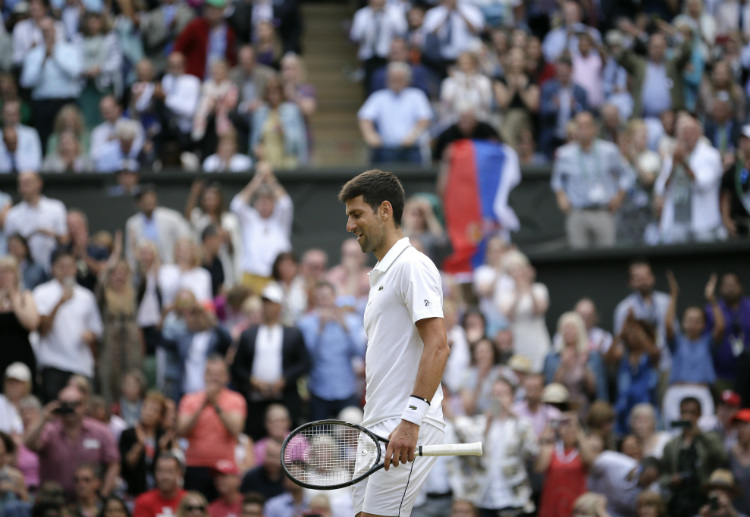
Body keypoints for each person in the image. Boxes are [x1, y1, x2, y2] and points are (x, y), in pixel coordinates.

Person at [338, 169, 449, 516]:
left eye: (357, 214)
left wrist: (411, 421)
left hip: (404, 422)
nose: (350, 225)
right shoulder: (381, 277)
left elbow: (438, 346)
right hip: (375, 424)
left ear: (385, 210)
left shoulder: (412, 265)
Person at [231, 283, 309, 440]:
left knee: (288, 441)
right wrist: (253, 381)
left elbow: (304, 364)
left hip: (284, 397)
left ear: (280, 307)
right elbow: (237, 367)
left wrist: (284, 380)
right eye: (265, 303)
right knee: (255, 437)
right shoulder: (249, 334)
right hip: (255, 399)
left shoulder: (292, 334)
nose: (269, 308)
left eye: (272, 304)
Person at [551, 111, 633, 249]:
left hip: (603, 211)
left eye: (586, 125)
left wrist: (619, 196)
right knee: (578, 259)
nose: (583, 130)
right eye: (579, 126)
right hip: (577, 212)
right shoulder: (564, 154)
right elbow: (557, 180)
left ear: (594, 128)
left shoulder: (609, 151)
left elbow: (627, 174)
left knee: (607, 257)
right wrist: (561, 196)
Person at [24, 385, 119, 501]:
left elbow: (114, 463)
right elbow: (28, 443)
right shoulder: (49, 430)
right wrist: (44, 417)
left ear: (84, 406)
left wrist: (103, 496)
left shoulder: (101, 432)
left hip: (89, 502)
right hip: (54, 503)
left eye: (74, 404)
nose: (70, 408)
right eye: (65, 404)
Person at [32, 248, 103, 403]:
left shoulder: (86, 296)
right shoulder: (41, 293)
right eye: (61, 266)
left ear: (75, 268)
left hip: (81, 366)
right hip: (53, 364)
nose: (66, 271)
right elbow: (42, 329)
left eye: (69, 266)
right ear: (52, 269)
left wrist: (90, 335)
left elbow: (96, 330)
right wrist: (60, 302)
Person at [177, 357, 246, 499]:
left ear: (226, 378)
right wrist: (202, 405)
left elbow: (236, 430)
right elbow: (182, 431)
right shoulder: (189, 399)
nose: (215, 378)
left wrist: (215, 404)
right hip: (194, 466)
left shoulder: (236, 399)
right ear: (204, 375)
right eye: (211, 373)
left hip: (225, 467)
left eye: (219, 374)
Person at [662, 272, 724, 427]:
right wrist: (674, 295)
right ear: (682, 323)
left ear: (703, 325)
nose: (693, 324)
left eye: (697, 321)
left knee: (704, 430)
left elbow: (721, 328)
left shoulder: (707, 342)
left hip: (701, 391)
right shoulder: (677, 343)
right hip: (677, 391)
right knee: (675, 430)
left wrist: (712, 300)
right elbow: (668, 326)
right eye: (689, 320)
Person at [297, 281, 366, 420]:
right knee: (319, 438)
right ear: (316, 300)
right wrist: (320, 329)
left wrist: (345, 327)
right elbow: (308, 358)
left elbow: (359, 353)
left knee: (351, 433)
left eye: (327, 297)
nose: (325, 301)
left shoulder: (352, 321)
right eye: (320, 297)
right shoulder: (306, 323)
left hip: (346, 388)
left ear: (335, 297)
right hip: (319, 389)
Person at [654, 114, 725, 243]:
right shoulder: (673, 158)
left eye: (691, 132)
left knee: (704, 260)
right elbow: (660, 189)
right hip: (676, 222)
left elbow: (703, 184)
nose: (687, 136)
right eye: (684, 132)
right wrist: (674, 167)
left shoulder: (711, 155)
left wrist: (684, 164)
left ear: (699, 133)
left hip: (703, 224)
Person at [19, 17, 82, 149]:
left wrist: (55, 57)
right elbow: (26, 82)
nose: (47, 33)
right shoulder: (33, 54)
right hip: (42, 104)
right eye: (44, 30)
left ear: (55, 30)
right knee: (44, 139)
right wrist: (42, 61)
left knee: (69, 138)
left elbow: (76, 73)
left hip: (66, 103)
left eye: (49, 30)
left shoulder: (69, 50)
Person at [230, 163, 293, 293]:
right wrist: (257, 179)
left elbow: (286, 204)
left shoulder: (280, 220)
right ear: (255, 203)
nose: (264, 205)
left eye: (268, 201)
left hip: (276, 278)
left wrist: (270, 177)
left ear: (273, 204)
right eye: (261, 201)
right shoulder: (250, 219)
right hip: (251, 277)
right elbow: (236, 205)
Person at [660, 396, 727, 517]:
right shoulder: (671, 445)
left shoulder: (710, 438)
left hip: (703, 500)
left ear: (699, 414)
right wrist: (671, 480)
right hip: (678, 502)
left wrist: (700, 434)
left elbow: (722, 457)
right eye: (684, 412)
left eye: (692, 412)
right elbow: (662, 476)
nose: (687, 416)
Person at [358, 62, 432, 165]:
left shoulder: (417, 96)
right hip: (385, 150)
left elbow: (424, 119)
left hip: (411, 150)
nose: (395, 81)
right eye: (392, 77)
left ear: (407, 79)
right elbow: (365, 118)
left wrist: (413, 135)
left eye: (399, 78)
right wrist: (370, 135)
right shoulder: (378, 97)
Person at [4, 171, 68, 273]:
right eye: (21, 183)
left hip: (52, 268)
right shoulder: (12, 215)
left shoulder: (56, 208)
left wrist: (50, 234)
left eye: (28, 182)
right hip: (25, 271)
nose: (24, 187)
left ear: (39, 184)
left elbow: (64, 241)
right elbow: (10, 249)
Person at [535, 413, 596, 517]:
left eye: (571, 426)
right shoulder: (550, 449)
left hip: (576, 504)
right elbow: (539, 468)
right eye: (564, 425)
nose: (568, 429)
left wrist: (578, 428)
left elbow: (590, 461)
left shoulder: (582, 451)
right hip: (552, 503)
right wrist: (549, 429)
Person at [125, 185, 192, 269]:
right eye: (144, 198)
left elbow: (186, 239)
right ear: (138, 203)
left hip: (170, 266)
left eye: (151, 197)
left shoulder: (172, 218)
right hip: (144, 271)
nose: (148, 200)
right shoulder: (132, 224)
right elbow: (130, 252)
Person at [119, 392, 172, 497]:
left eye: (155, 411)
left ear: (161, 416)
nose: (149, 413)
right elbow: (127, 465)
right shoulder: (128, 434)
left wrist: (162, 449)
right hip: (134, 489)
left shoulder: (163, 436)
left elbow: (166, 468)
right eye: (146, 408)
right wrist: (139, 445)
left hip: (157, 491)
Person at [350, 0, 407, 95]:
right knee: (369, 87)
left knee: (387, 85)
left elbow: (402, 31)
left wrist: (387, 14)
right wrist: (370, 17)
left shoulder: (395, 12)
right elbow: (355, 36)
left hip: (388, 57)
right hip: (368, 56)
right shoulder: (361, 14)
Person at [173, 0, 236, 80]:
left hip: (219, 80)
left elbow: (231, 58)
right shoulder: (195, 26)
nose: (212, 11)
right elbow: (178, 49)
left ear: (223, 10)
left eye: (216, 8)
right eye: (209, 7)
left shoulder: (229, 32)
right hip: (196, 78)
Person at [708, 273, 750, 391]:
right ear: (720, 288)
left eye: (733, 285)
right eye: (726, 285)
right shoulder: (712, 309)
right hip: (720, 374)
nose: (730, 289)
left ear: (740, 286)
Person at [0, 258, 39, 382]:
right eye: (0, 272)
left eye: (7, 271)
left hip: (20, 354)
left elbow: (32, 324)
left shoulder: (25, 296)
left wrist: (13, 298)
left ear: (16, 274)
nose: (3, 276)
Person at [589, 452, 661, 517]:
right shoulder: (611, 461)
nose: (648, 483)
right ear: (640, 468)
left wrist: (601, 511)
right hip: (591, 504)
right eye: (647, 478)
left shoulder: (650, 492)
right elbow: (587, 468)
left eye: (652, 480)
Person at [132, 453, 187, 517]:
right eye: (160, 471)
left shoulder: (188, 500)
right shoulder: (143, 501)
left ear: (179, 473)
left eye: (170, 471)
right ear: (154, 473)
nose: (165, 476)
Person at [721, 126, 750, 237]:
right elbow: (727, 195)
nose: (744, 143)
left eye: (747, 140)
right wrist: (726, 220)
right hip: (739, 224)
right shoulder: (734, 169)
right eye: (742, 140)